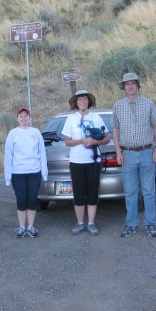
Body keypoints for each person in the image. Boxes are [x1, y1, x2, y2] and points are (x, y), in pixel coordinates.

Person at [112, 73, 156, 238]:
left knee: (149, 191)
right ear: (124, 87)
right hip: (127, 154)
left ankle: (150, 223)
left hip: (147, 152)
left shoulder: (148, 104)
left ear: (138, 85)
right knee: (130, 192)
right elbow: (115, 129)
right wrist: (118, 151)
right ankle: (132, 224)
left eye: (133, 83)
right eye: (127, 84)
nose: (130, 87)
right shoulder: (118, 106)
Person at [62, 90, 110, 235]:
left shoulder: (96, 118)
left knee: (92, 192)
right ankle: (80, 223)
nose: (82, 102)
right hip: (76, 161)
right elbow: (67, 142)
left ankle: (91, 223)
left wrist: (96, 141)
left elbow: (106, 139)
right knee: (78, 193)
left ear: (88, 101)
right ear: (76, 103)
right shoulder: (71, 119)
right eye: (79, 100)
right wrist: (81, 141)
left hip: (93, 161)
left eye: (84, 99)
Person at [4, 107, 48, 238]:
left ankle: (31, 226)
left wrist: (44, 174)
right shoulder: (12, 134)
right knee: (21, 200)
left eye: (26, 116)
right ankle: (22, 227)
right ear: (17, 118)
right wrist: (8, 177)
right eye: (21, 116)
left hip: (34, 172)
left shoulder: (35, 132)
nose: (23, 118)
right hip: (18, 173)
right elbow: (8, 156)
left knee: (32, 200)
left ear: (29, 118)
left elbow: (42, 154)